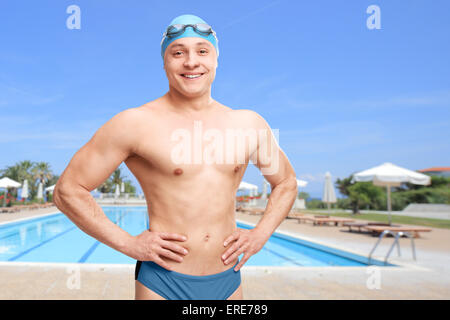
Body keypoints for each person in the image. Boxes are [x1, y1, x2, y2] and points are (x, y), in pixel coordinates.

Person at [53, 13, 298, 300]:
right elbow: (68, 191)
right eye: (178, 53)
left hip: (228, 280)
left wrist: (260, 235)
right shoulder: (134, 123)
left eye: (202, 51)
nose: (191, 62)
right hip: (162, 283)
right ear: (165, 62)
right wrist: (129, 244)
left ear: (216, 59)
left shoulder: (249, 124)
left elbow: (286, 182)